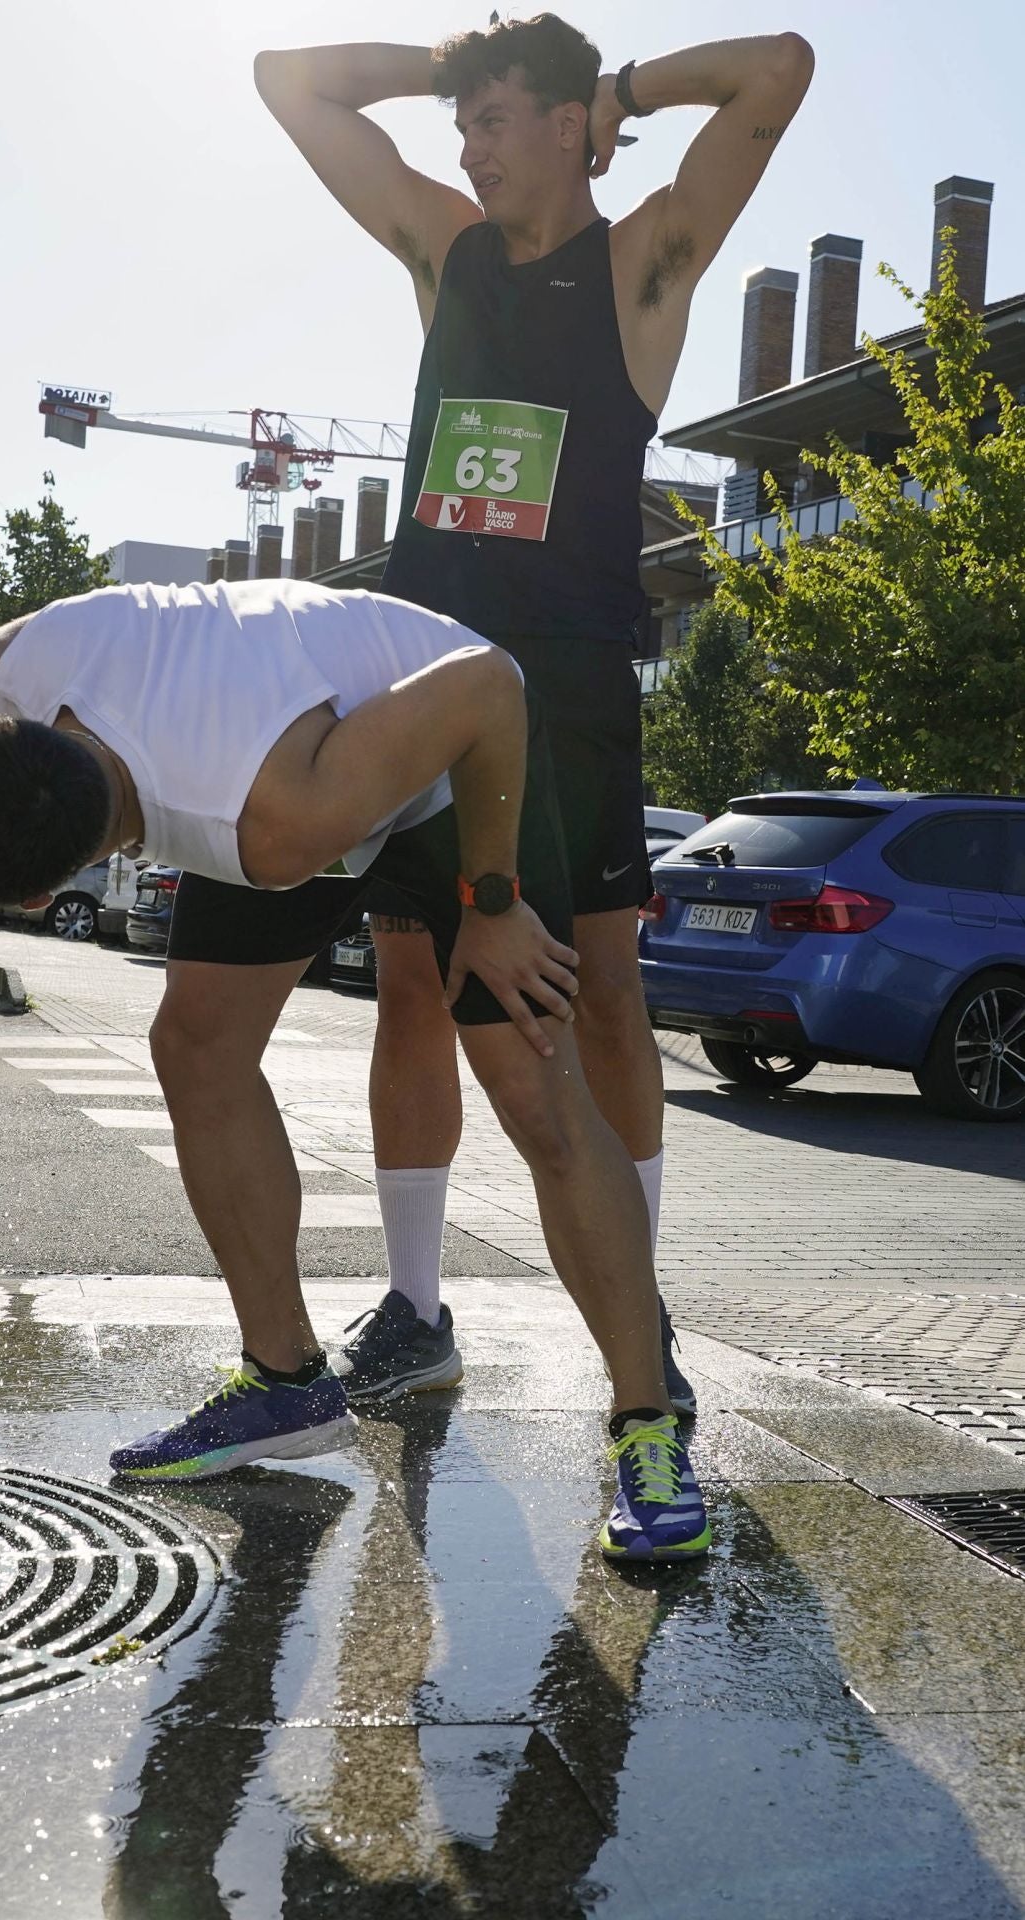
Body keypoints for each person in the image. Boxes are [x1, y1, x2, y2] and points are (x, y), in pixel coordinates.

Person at [0, 575, 710, 1560]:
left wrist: (495, 899)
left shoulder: (272, 819)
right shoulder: (0, 677)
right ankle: (286, 1378)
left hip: (446, 758)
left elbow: (488, 684)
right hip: (284, 734)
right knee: (196, 1047)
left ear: (42, 894)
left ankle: (651, 1428)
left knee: (537, 1098)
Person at [252, 17, 814, 1406]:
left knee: (606, 997)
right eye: (463, 126)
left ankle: (640, 1314)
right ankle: (417, 1303)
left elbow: (781, 66)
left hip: (565, 685)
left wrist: (619, 90)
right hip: (419, 676)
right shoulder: (444, 250)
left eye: (497, 119)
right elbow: (288, 84)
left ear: (567, 126)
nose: (468, 147)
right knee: (409, 990)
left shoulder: (641, 263)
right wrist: (447, 65)